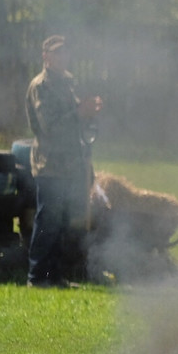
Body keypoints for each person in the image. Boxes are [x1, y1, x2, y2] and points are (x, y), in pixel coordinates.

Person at [24, 35, 102, 287]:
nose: (62, 57)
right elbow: (50, 127)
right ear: (45, 56)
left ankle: (55, 276)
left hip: (71, 164)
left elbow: (75, 121)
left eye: (65, 52)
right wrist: (79, 113)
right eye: (56, 53)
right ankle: (37, 277)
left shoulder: (67, 83)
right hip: (50, 164)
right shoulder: (41, 86)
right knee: (48, 221)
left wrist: (88, 113)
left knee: (63, 222)